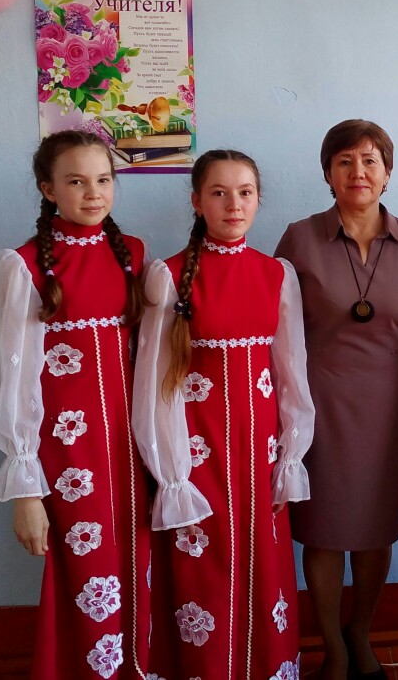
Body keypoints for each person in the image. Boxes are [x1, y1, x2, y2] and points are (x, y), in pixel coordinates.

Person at [132, 149, 313, 679]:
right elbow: (153, 383)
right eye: (219, 193)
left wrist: (290, 455)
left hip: (260, 453)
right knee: (202, 573)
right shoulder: (167, 276)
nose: (234, 204)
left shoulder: (277, 274)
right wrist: (172, 473)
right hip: (195, 454)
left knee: (263, 565)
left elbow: (291, 372)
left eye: (245, 192)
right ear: (197, 202)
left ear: (258, 200)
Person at [0, 129, 152, 679]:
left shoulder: (134, 255)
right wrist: (26, 491)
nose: (93, 193)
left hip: (133, 447)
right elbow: (12, 381)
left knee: (141, 563)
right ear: (48, 189)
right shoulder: (24, 266)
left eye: (103, 180)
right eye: (76, 182)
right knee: (88, 572)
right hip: (69, 454)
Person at [275, 120, 398, 680]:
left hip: (389, 413)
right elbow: (275, 329)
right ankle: (332, 650)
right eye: (344, 161)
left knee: (376, 531)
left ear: (387, 173)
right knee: (323, 531)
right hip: (316, 409)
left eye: (370, 160)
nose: (357, 172)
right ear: (327, 173)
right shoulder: (299, 238)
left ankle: (359, 634)